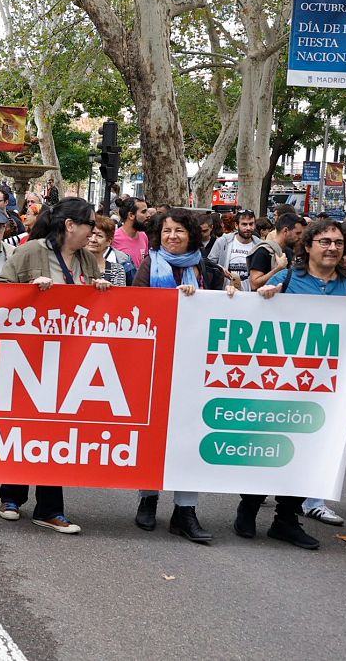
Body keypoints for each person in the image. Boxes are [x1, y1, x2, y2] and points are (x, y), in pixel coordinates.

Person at [246, 218, 346, 549]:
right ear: (308, 246)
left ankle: (286, 519)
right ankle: (247, 509)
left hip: (323, 389)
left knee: (308, 451)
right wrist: (264, 297)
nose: (333, 248)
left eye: (338, 243)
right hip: (279, 384)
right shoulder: (287, 278)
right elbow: (255, 315)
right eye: (325, 242)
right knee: (269, 446)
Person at [0, 197, 112, 534]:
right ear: (71, 225)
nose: (94, 230)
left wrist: (102, 290)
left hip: (71, 360)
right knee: (24, 425)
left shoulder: (88, 260)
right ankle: (12, 496)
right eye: (89, 223)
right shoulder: (32, 252)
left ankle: (49, 508)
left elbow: (97, 306)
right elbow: (0, 290)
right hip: (29, 355)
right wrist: (28, 290)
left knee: (57, 431)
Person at [130, 208, 230, 543]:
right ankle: (148, 499)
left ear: (192, 235)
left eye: (179, 231)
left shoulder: (208, 269)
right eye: (167, 231)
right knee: (154, 433)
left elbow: (224, 313)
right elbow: (138, 308)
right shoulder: (149, 265)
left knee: (192, 434)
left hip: (197, 366)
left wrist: (226, 296)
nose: (172, 236)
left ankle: (185, 510)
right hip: (157, 362)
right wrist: (171, 302)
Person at [247, 210, 303, 290]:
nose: (300, 237)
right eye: (297, 233)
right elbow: (254, 284)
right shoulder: (263, 251)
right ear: (285, 231)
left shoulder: (289, 252)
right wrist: (279, 268)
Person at [208, 209, 259, 290]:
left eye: (251, 224)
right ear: (236, 225)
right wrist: (220, 269)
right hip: (225, 293)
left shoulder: (259, 245)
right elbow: (209, 264)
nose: (248, 228)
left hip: (250, 295)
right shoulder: (223, 241)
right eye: (244, 224)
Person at [84, 214, 132, 286]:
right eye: (90, 234)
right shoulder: (75, 265)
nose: (93, 239)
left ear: (109, 241)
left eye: (99, 236)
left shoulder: (117, 270)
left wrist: (110, 289)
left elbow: (119, 296)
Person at [111, 196, 151, 269]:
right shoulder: (113, 238)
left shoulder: (143, 236)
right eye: (144, 212)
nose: (148, 215)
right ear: (131, 215)